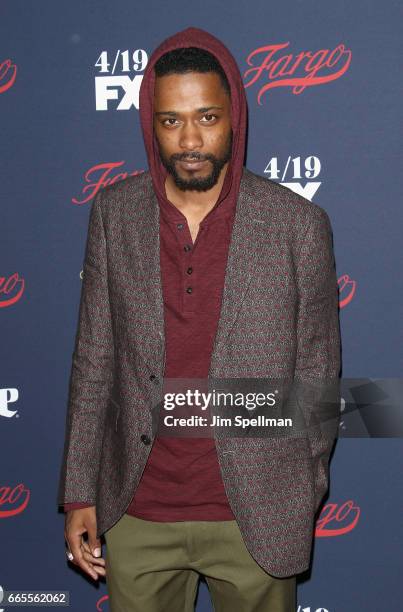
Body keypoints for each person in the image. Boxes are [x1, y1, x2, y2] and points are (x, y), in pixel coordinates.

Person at [58, 26, 341, 612]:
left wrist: (301, 485)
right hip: (138, 514)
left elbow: (318, 377)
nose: (190, 139)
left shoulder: (297, 226)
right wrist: (80, 491)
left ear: (234, 115)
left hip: (256, 516)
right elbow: (95, 363)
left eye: (207, 117)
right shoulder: (114, 214)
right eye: (170, 121)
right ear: (150, 124)